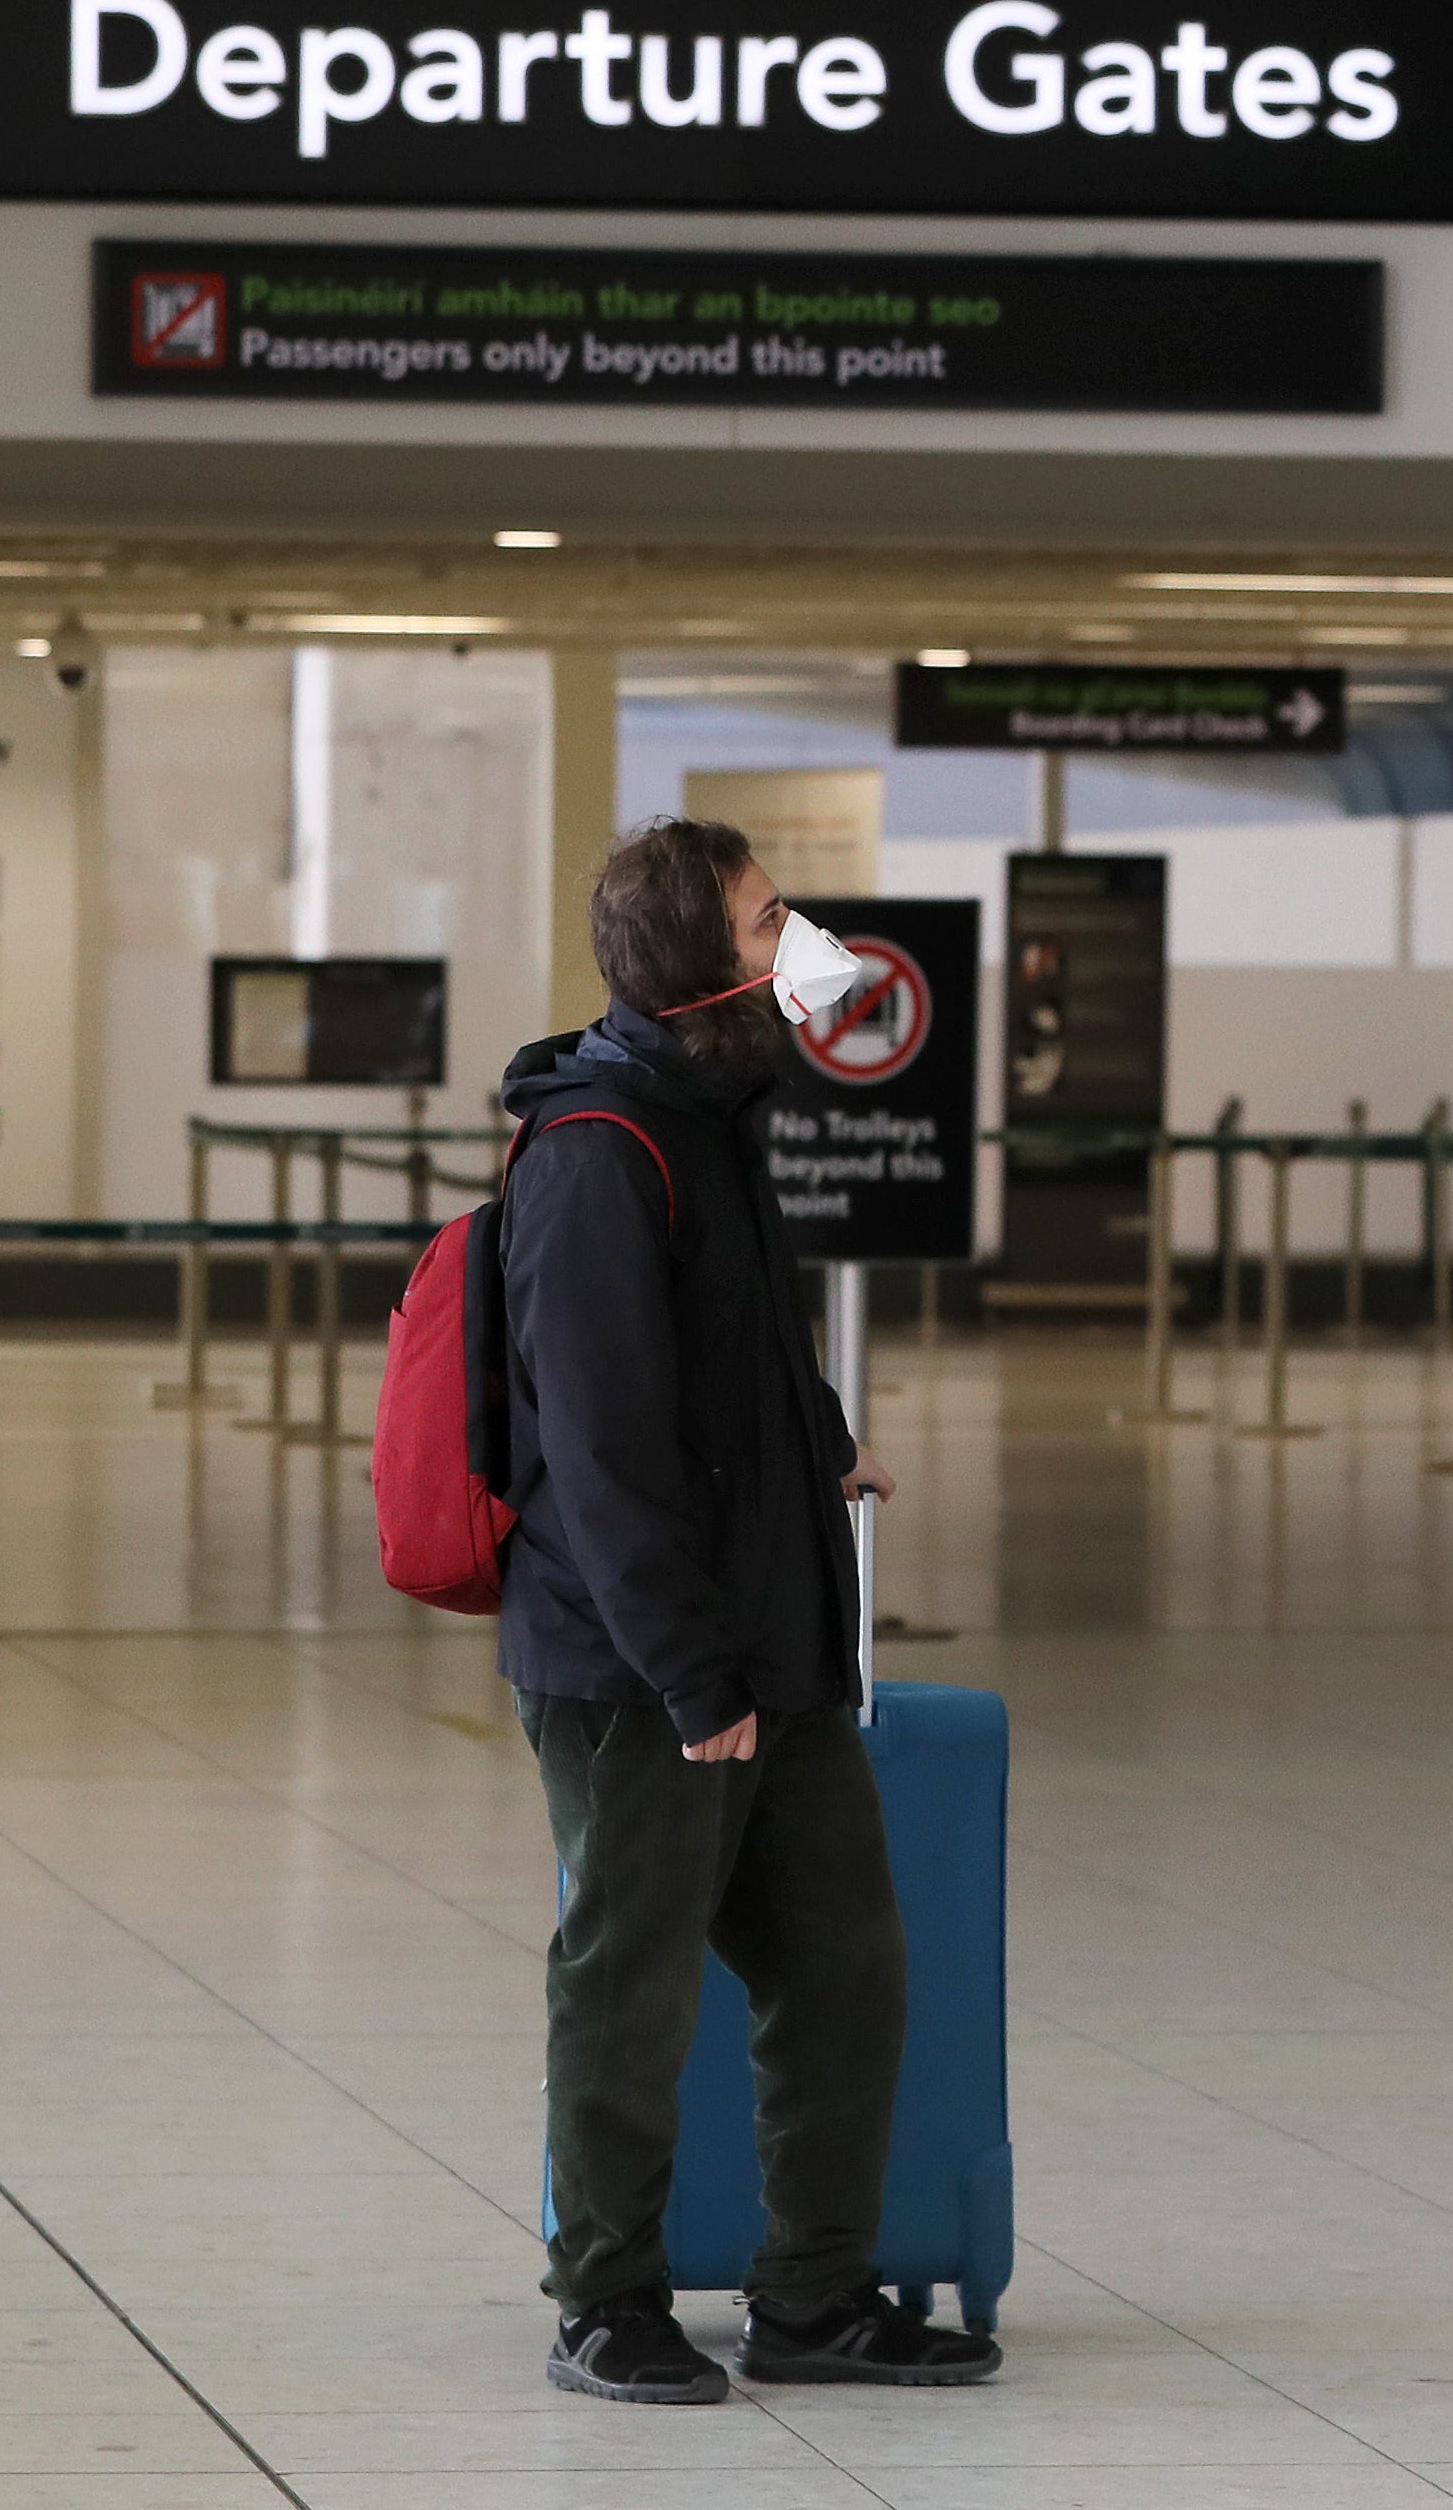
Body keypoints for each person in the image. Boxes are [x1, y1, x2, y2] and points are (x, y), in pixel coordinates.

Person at [498, 816, 1002, 2401]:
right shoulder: (596, 1150)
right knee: (631, 1987)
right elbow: (599, 1452)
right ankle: (606, 2300)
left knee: (847, 1963)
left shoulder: (707, 1114)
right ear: (701, 964)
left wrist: (818, 1441)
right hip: (649, 1668)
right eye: (769, 914)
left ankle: (812, 2296)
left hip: (765, 1649)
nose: (803, 935)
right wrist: (691, 1677)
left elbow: (722, 1354)